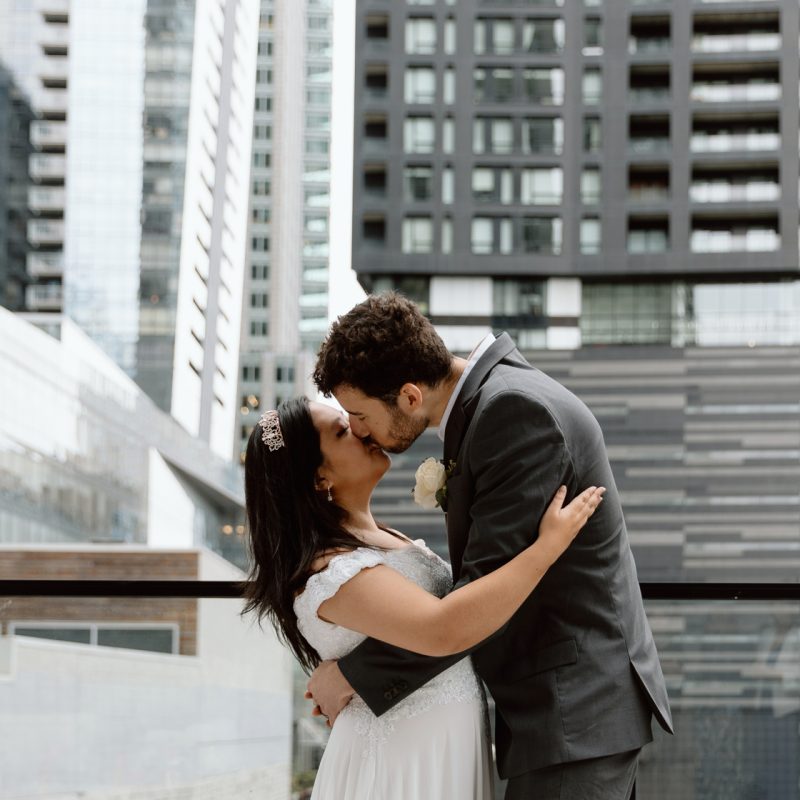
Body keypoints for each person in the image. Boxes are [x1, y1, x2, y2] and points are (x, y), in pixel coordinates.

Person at [307, 292, 674, 800]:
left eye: (361, 414)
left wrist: (351, 674)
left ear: (410, 396)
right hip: (567, 714)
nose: (360, 430)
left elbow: (481, 601)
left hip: (572, 708)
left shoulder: (511, 413)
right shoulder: (494, 404)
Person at [243, 396, 605, 799]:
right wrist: (546, 547)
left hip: (441, 744)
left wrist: (349, 673)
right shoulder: (332, 569)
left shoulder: (380, 538)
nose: (361, 430)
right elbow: (444, 628)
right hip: (401, 760)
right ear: (318, 478)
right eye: (342, 431)